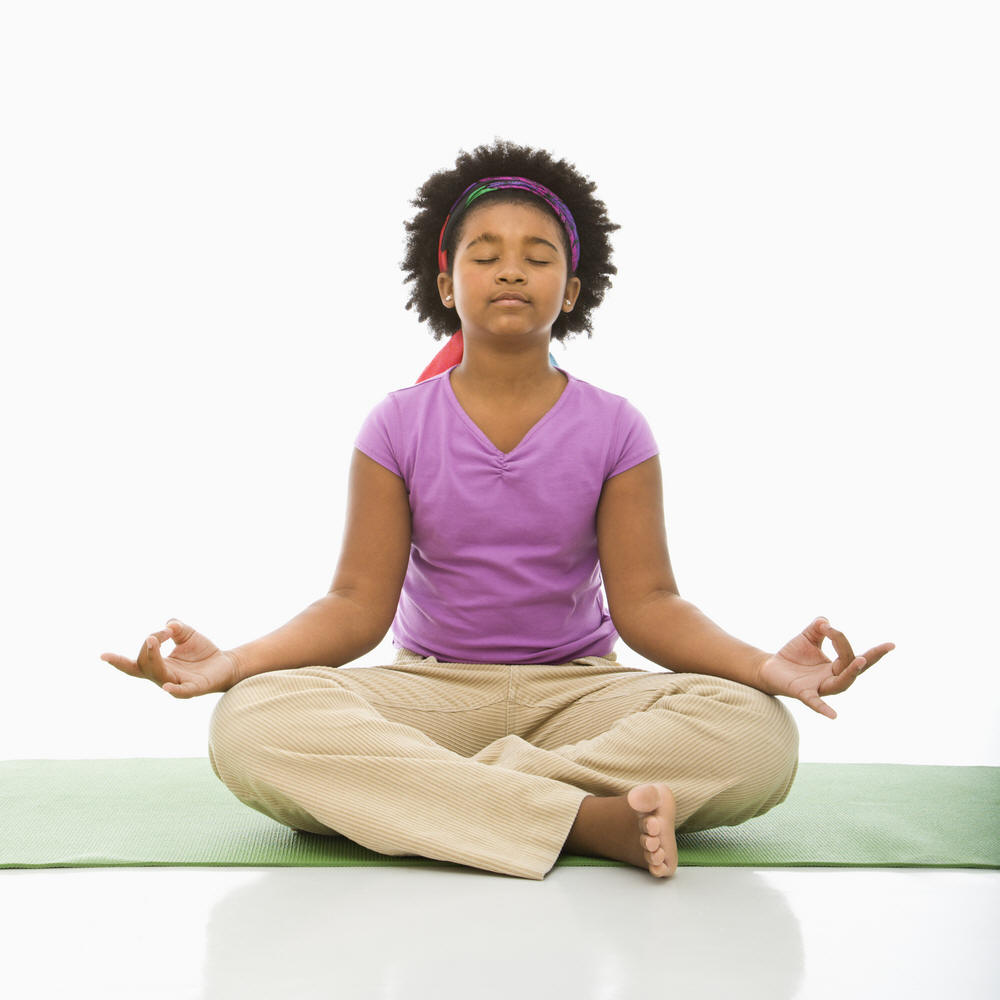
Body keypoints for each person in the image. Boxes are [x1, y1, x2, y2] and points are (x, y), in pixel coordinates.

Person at [101, 139, 895, 881]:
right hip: (434, 693)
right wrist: (236, 662)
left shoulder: (617, 427)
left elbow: (650, 605)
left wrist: (762, 667)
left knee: (756, 731)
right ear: (447, 283)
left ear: (573, 290)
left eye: (537, 257)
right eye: (486, 256)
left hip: (579, 694)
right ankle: (583, 820)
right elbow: (354, 606)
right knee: (252, 721)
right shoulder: (397, 424)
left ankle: (450, 803)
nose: (511, 270)